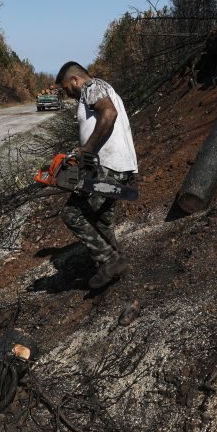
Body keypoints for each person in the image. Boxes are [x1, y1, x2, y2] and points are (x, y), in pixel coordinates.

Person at [55, 61, 138, 289]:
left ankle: (111, 261)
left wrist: (88, 149)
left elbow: (109, 113)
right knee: (101, 219)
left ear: (75, 80)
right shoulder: (94, 92)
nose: (67, 93)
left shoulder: (92, 87)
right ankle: (116, 268)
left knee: (72, 213)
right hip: (115, 166)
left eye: (66, 88)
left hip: (108, 166)